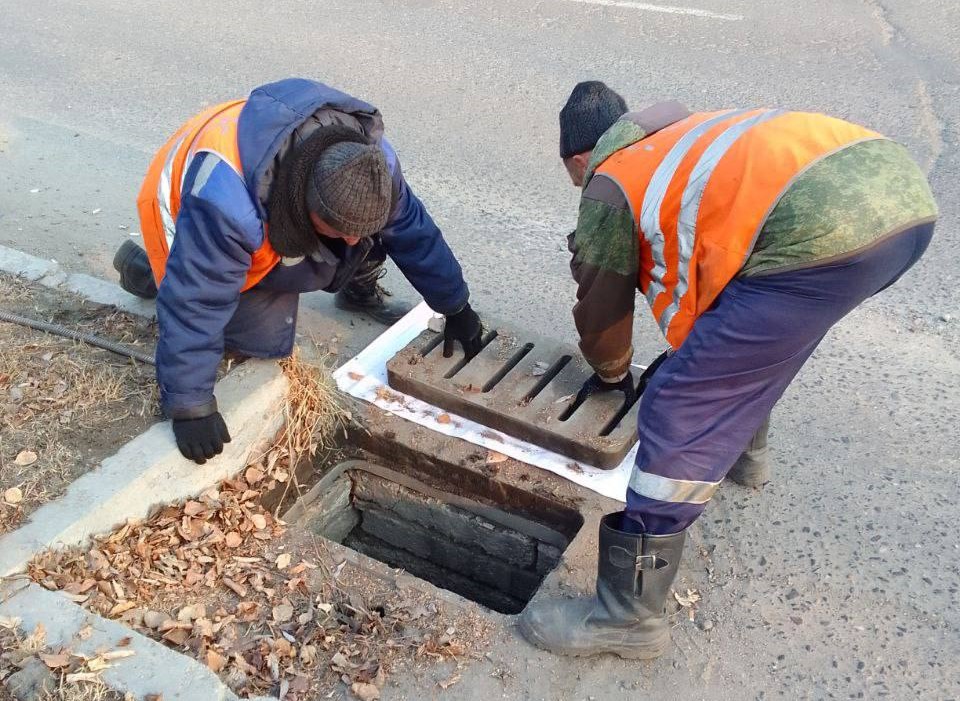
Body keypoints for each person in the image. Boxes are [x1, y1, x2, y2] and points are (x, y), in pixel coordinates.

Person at [519, 81, 937, 659]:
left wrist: (613, 374)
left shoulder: (611, 183)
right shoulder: (674, 142)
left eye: (575, 177)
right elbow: (716, 277)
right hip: (897, 201)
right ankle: (747, 455)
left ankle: (625, 618)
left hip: (823, 231)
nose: (579, 188)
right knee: (745, 345)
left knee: (677, 404)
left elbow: (601, 303)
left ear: (579, 159)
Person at [114, 78, 483, 464]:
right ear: (307, 206)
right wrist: (191, 406)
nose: (353, 242)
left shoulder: (372, 166)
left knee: (373, 237)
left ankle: (354, 287)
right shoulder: (227, 207)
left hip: (267, 181)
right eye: (339, 230)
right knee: (243, 333)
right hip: (184, 204)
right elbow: (198, 298)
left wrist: (455, 305)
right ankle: (149, 273)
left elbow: (415, 236)